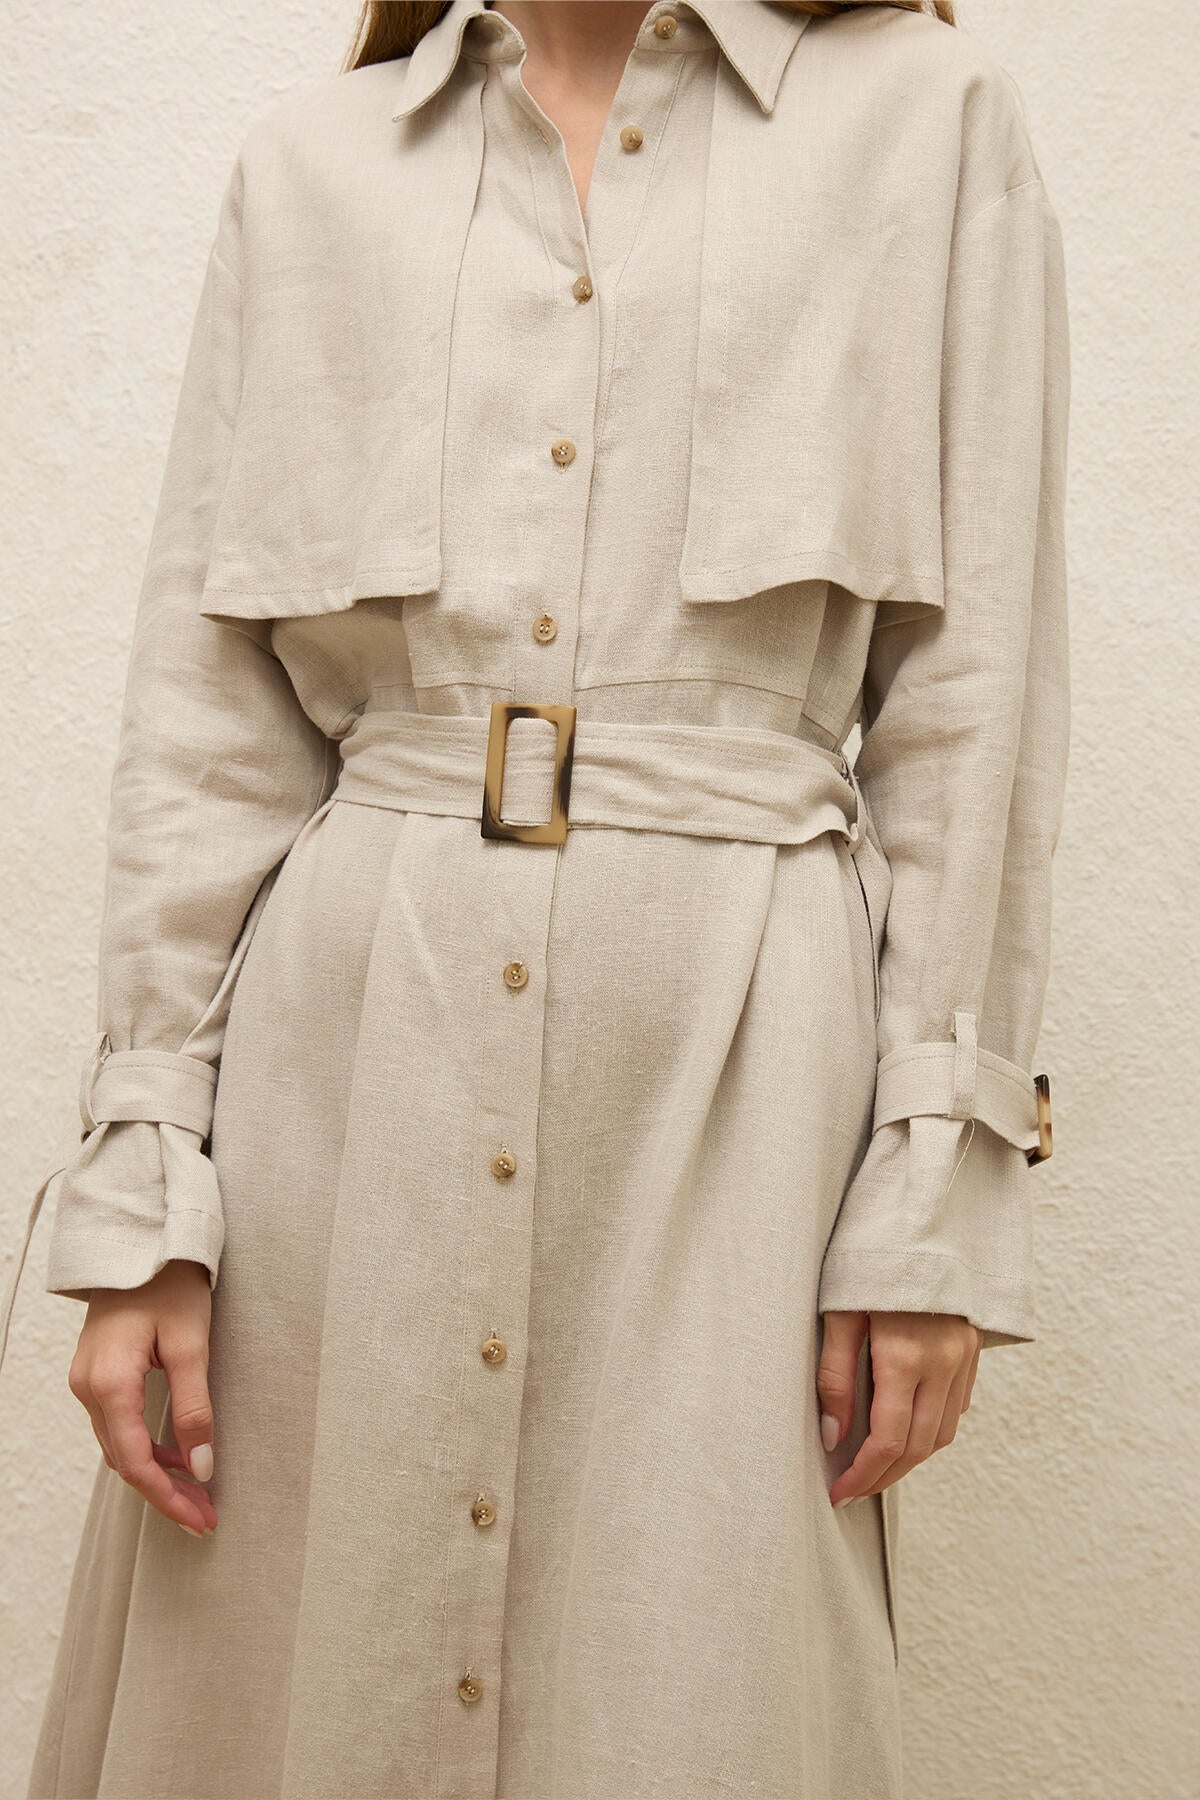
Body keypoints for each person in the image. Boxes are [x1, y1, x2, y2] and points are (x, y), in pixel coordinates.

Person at [1, 1, 1069, 1795]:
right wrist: (145, 1196)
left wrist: (930, 1197)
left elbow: (977, 710)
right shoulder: (314, 166)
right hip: (341, 1091)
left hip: (736, 1097)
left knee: (695, 1694)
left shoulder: (930, 118)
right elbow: (208, 736)